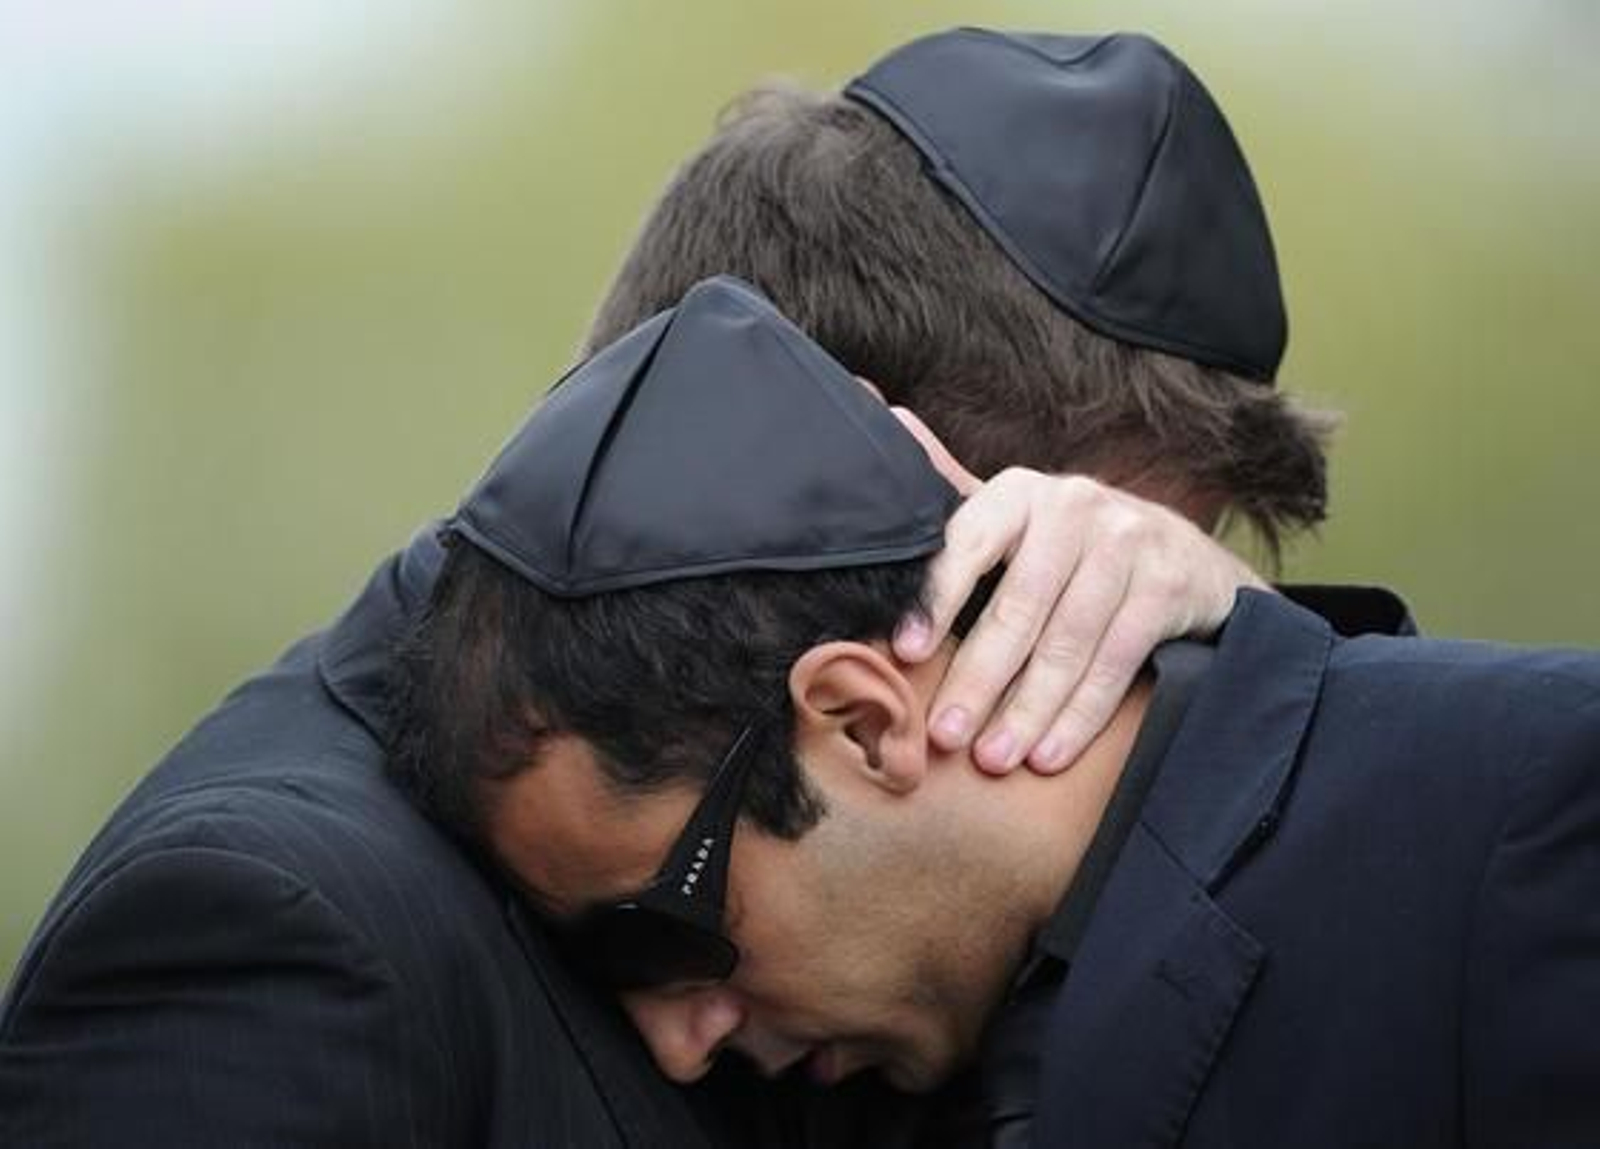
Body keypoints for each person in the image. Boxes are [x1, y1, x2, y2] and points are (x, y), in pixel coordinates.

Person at [0, 28, 1336, 1149]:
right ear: (816, 461)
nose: (1109, 727)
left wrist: (1259, 654)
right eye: (1061, 620)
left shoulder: (879, 896)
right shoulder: (270, 933)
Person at [426, 274, 1600, 1149]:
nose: (680, 1043)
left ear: (861, 720)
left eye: (658, 934)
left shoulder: (1537, 811)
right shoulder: (878, 1074)